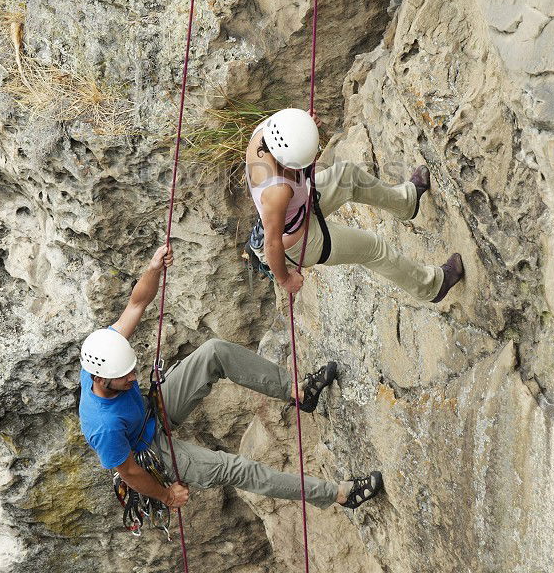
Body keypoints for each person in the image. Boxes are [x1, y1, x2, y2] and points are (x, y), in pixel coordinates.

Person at [79, 244, 383, 513]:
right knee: (236, 468)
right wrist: (167, 495)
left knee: (214, 352)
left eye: (132, 370)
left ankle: (298, 392)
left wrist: (153, 269)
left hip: (149, 411)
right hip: (148, 450)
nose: (133, 377)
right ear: (101, 379)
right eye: (124, 377)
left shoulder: (105, 349)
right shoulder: (102, 428)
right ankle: (340, 495)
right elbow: (130, 472)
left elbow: (136, 304)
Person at [246, 108, 464, 302]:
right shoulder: (276, 192)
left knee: (348, 175)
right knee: (374, 248)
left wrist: (307, 128)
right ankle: (432, 287)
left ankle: (405, 203)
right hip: (299, 239)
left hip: (299, 204)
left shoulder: (271, 129)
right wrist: (285, 280)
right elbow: (272, 244)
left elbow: (294, 131)